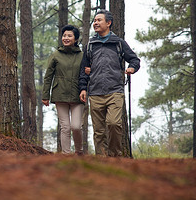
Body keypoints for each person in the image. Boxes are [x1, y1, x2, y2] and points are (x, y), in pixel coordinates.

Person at [79, 9, 140, 157]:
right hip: (95, 92)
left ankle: (115, 156)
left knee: (113, 124)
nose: (95, 23)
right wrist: (83, 88)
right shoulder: (90, 45)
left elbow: (134, 59)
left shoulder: (118, 43)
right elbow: (83, 69)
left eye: (99, 20)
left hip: (115, 91)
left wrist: (132, 68)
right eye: (94, 20)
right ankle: (102, 159)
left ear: (108, 23)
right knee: (99, 131)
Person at [42, 25, 85, 155]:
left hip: (78, 95)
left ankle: (79, 152)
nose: (66, 38)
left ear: (76, 39)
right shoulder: (56, 55)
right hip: (60, 94)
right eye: (64, 35)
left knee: (76, 127)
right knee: (65, 127)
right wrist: (45, 95)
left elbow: (86, 74)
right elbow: (48, 76)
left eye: (69, 36)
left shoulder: (82, 55)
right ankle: (66, 155)